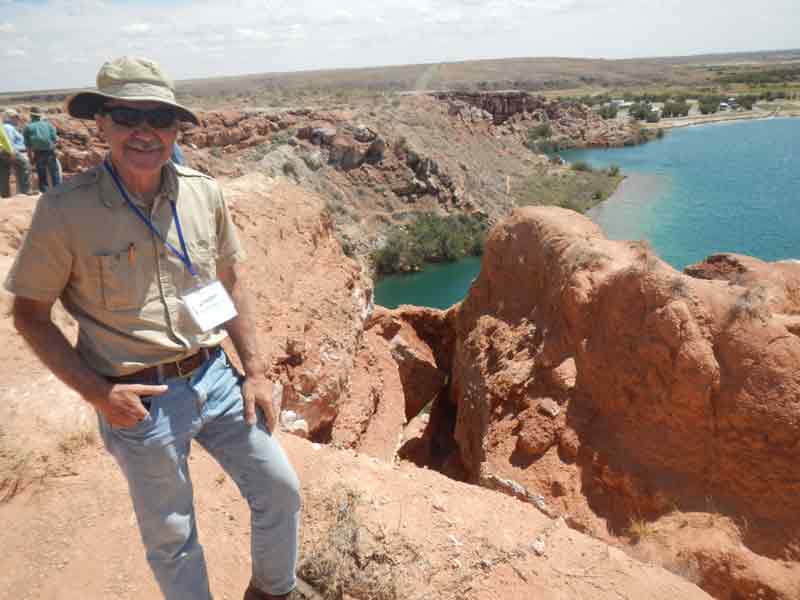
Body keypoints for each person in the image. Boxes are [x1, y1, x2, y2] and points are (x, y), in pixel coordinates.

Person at [5, 56, 301, 600]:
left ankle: (273, 592)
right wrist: (99, 394)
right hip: (140, 398)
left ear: (176, 128)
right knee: (171, 534)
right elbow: (28, 314)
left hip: (215, 376)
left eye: (159, 118)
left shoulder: (202, 192)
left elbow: (231, 282)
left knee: (280, 489)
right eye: (127, 116)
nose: (144, 132)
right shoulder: (64, 210)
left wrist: (255, 371)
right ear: (102, 124)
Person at [23, 106, 62, 192]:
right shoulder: (49, 125)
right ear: (40, 116)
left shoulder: (28, 127)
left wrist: (30, 158)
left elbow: (28, 146)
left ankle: (45, 194)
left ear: (31, 116)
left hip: (38, 153)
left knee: (42, 175)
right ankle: (59, 192)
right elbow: (56, 139)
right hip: (50, 152)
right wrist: (54, 149)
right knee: (54, 173)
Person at [1, 109, 32, 196]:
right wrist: (12, 152)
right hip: (12, 151)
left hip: (4, 152)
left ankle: (4, 194)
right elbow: (9, 141)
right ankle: (25, 190)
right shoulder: (8, 128)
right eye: (15, 118)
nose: (18, 120)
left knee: (4, 172)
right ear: (9, 118)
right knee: (25, 164)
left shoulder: (5, 127)